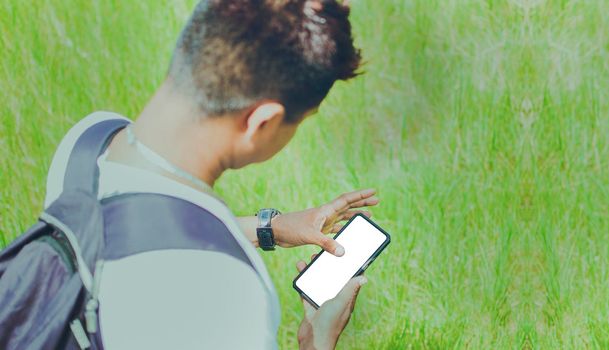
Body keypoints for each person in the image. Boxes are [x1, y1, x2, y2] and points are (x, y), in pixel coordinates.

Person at [44, 0, 375, 348]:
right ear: (261, 123)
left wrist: (270, 229)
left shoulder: (90, 140)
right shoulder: (227, 294)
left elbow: (129, 223)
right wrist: (316, 341)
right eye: (299, 123)